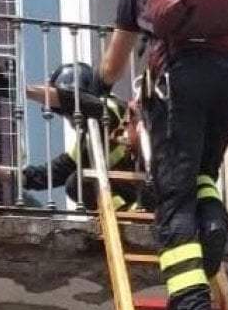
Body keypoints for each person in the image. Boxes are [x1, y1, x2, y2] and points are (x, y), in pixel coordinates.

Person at [93, 0, 228, 310]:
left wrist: (97, 89)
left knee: (174, 197)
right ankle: (214, 224)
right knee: (203, 173)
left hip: (183, 82)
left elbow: (114, 61)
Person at [21, 62, 146, 211]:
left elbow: (83, 104)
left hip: (154, 187)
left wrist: (20, 90)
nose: (70, 120)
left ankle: (127, 212)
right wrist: (8, 175)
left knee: (79, 182)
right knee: (78, 183)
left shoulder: (112, 108)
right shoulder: (87, 143)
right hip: (143, 195)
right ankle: (127, 211)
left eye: (67, 113)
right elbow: (50, 174)